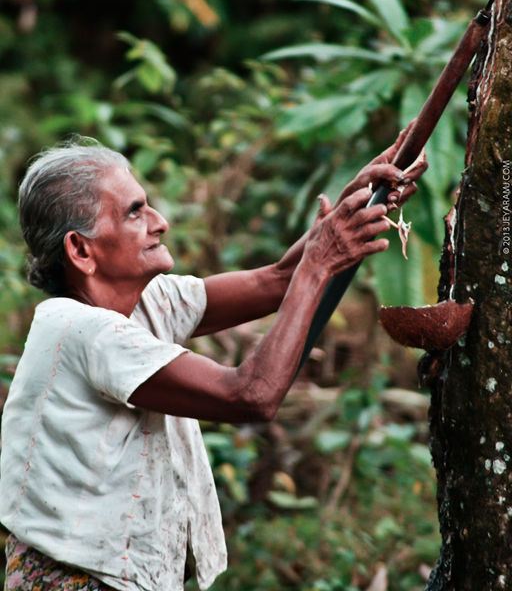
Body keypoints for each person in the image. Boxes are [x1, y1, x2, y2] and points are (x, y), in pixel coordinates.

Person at [0, 133, 426, 591]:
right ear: (81, 251)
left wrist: (355, 199)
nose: (159, 222)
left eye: (147, 205)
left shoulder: (144, 301)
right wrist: (320, 263)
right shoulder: (80, 329)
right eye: (134, 213)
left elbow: (277, 279)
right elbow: (252, 395)